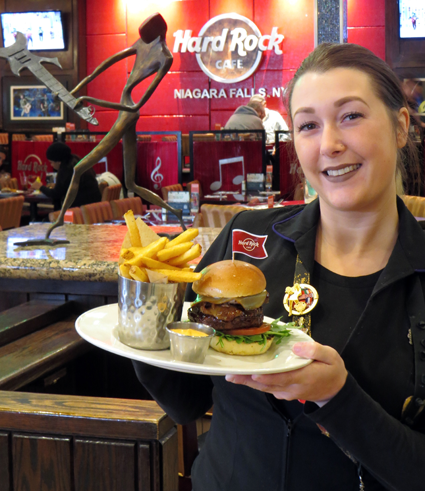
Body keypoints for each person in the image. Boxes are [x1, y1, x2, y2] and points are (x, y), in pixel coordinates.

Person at [132, 42, 425, 490]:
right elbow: (185, 400)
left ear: (400, 125)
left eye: (351, 116)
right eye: (308, 125)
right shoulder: (247, 239)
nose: (330, 144)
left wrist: (337, 396)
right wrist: (142, 320)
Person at [30, 142, 101, 210]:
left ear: (58, 161)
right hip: (93, 206)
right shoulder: (76, 160)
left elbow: (56, 194)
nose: (51, 165)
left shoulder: (66, 169)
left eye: (51, 162)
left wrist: (40, 187)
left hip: (80, 209)